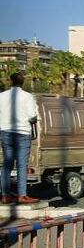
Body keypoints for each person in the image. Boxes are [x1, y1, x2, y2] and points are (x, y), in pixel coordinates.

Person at [0, 72, 38, 205]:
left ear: (11, 81)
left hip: (6, 132)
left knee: (7, 165)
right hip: (22, 133)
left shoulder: (1, 96)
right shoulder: (28, 97)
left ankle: (5, 195)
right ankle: (22, 195)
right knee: (22, 165)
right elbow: (32, 115)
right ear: (22, 82)